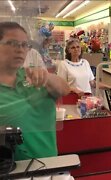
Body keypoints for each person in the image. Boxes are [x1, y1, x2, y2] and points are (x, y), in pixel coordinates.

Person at [0, 22, 70, 160]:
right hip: (12, 171)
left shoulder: (32, 76)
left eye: (24, 45)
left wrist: (47, 77)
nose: (20, 50)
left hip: (50, 168)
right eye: (12, 43)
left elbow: (64, 89)